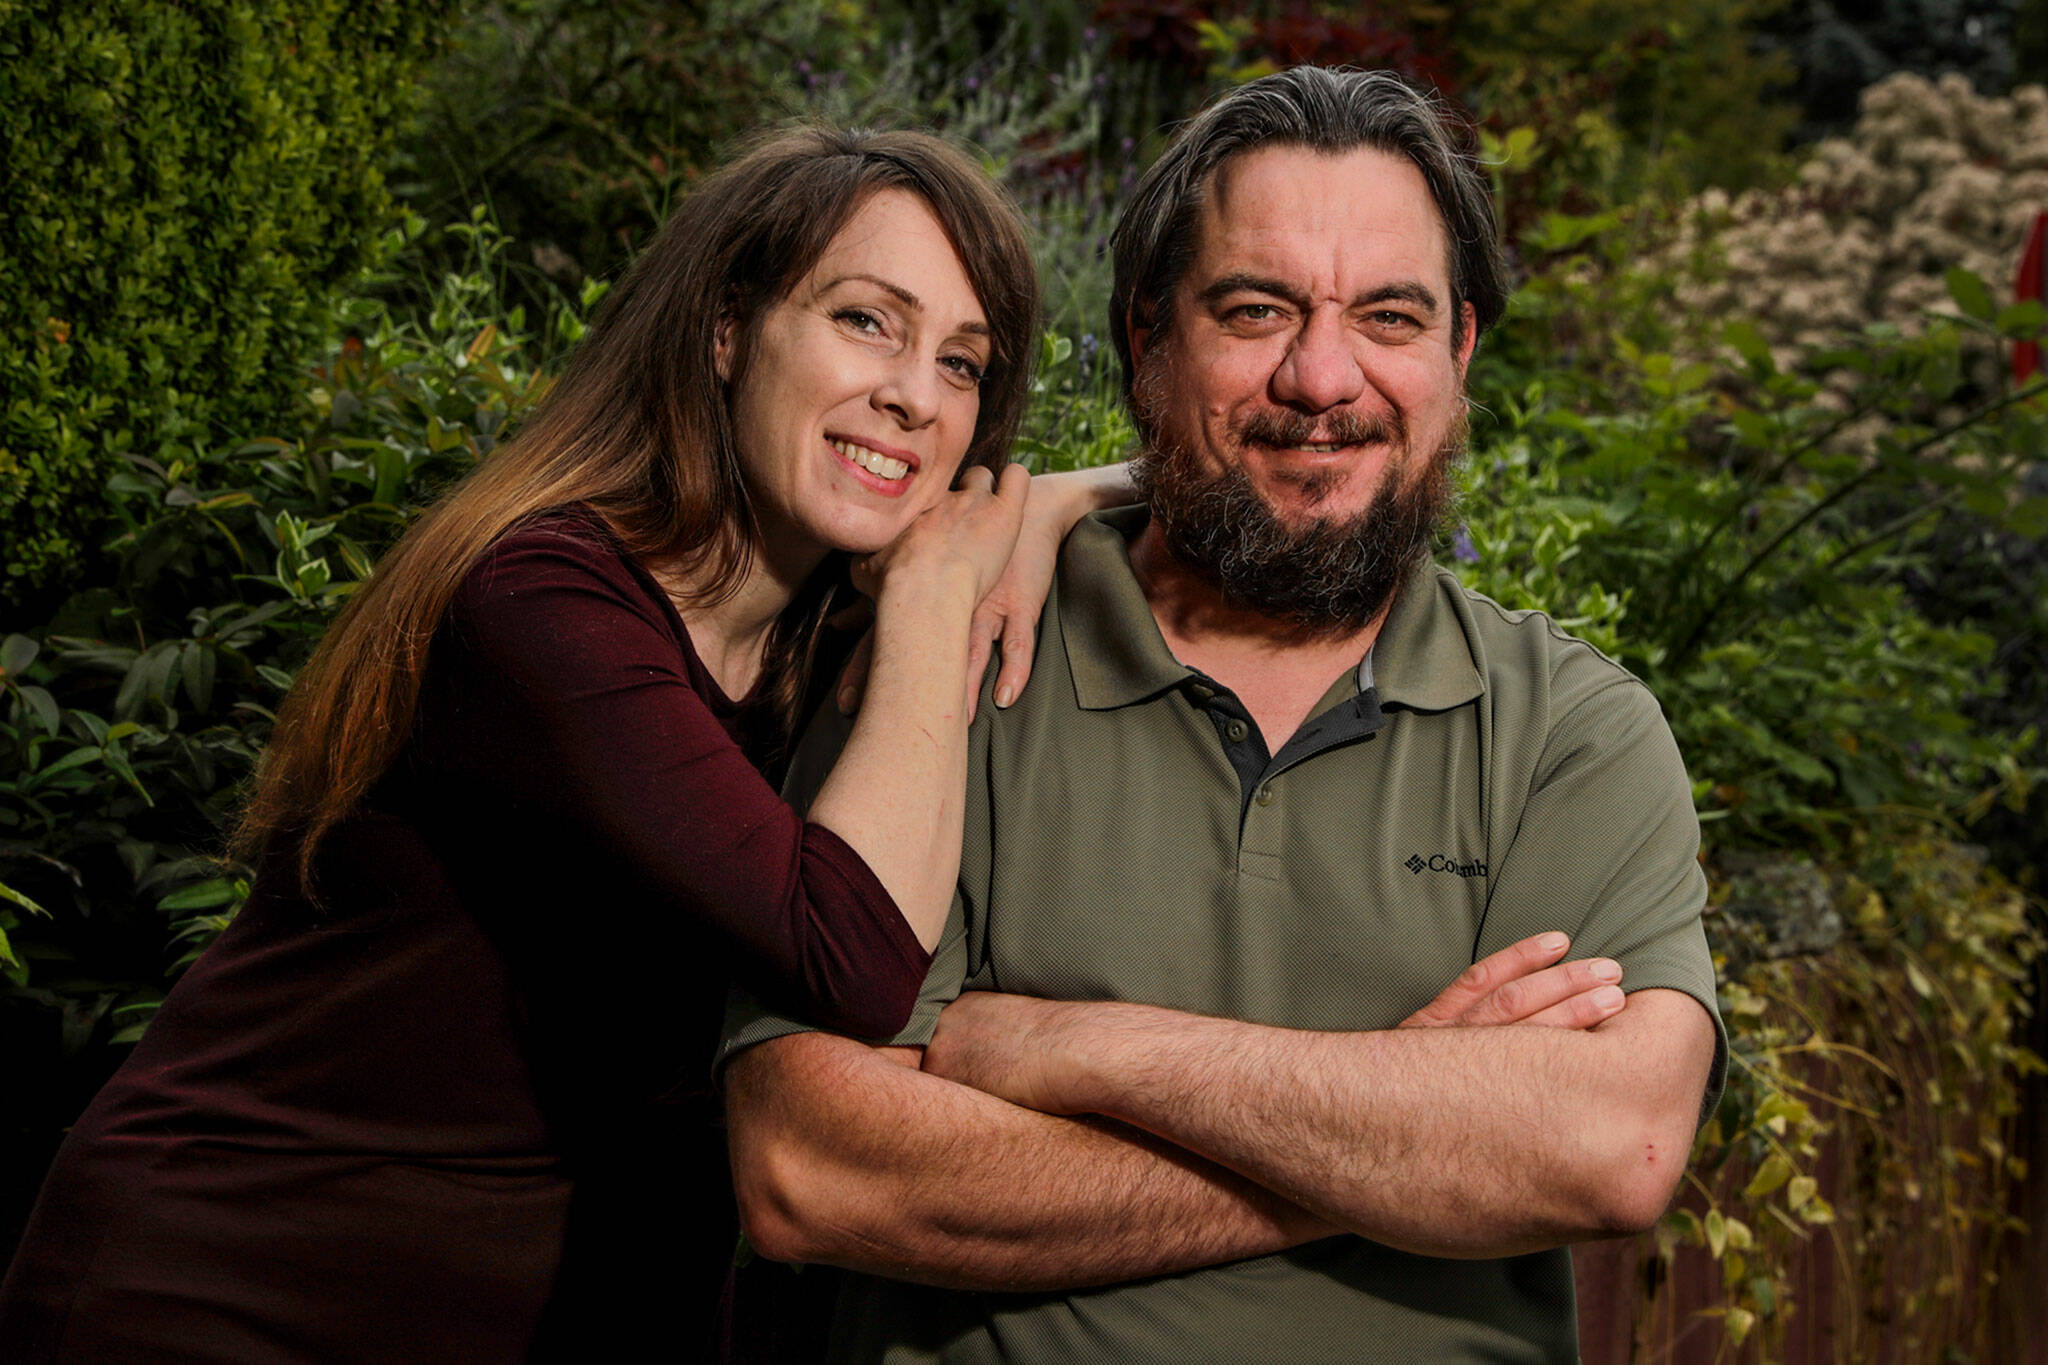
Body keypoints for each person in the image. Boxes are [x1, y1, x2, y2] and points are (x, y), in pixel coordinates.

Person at [0, 126, 1123, 1361]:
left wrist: (1063, 495)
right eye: (867, 321)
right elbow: (848, 953)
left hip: (539, 1316)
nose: (916, 392)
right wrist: (927, 599)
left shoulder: (810, 650)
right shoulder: (545, 602)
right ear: (727, 327)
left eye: (962, 363)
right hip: (240, 1290)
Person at [720, 68, 1726, 1362]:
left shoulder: (1565, 734)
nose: (1321, 376)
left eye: (1389, 315)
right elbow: (812, 1165)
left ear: (1458, 354)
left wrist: (1089, 1049)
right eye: (1256, 309)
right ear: (1148, 337)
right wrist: (1402, 1129)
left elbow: (1611, 1146)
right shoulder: (954, 655)